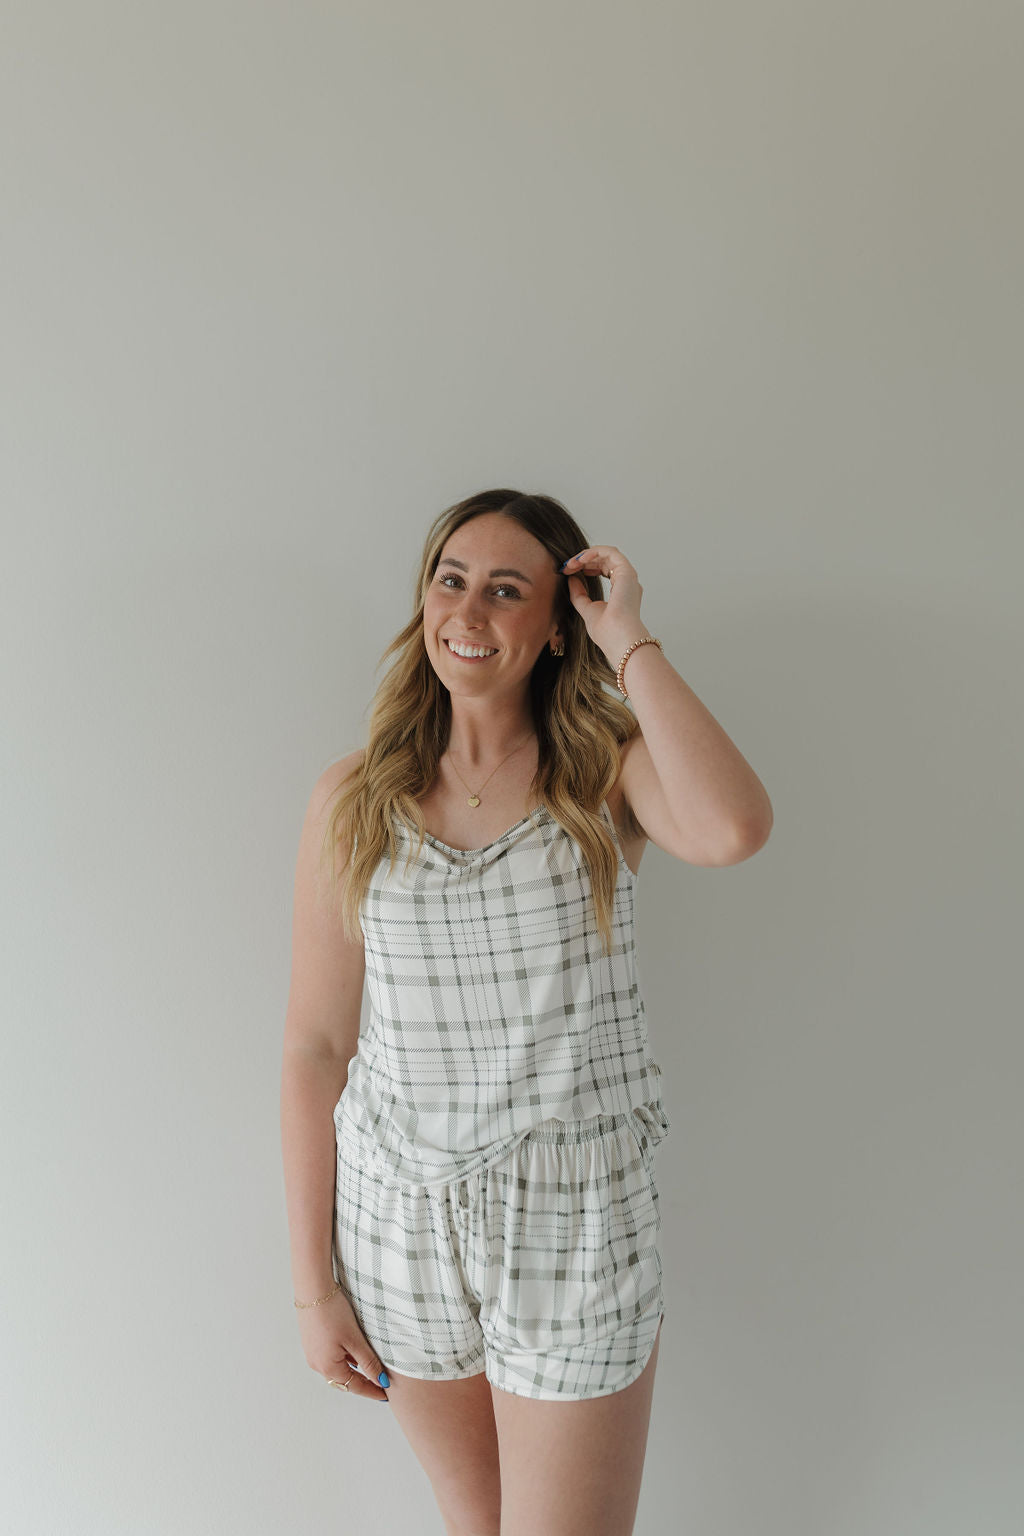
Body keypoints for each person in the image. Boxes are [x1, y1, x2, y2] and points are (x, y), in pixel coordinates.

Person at [280, 488, 773, 1535]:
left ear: (556, 623)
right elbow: (318, 1047)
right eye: (450, 580)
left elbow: (733, 826)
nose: (469, 610)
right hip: (398, 1220)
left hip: (574, 1222)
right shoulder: (354, 797)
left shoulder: (600, 779)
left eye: (508, 590)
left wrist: (626, 630)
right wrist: (312, 1286)